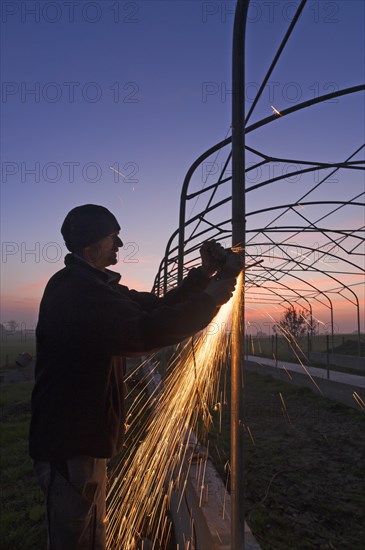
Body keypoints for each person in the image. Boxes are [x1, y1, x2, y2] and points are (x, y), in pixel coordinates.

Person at [29, 204, 241, 550]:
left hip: (84, 437)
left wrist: (203, 277)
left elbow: (154, 307)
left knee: (90, 529)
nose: (120, 244)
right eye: (113, 238)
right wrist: (207, 302)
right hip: (67, 443)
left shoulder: (96, 286)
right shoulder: (78, 293)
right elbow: (143, 333)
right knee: (74, 537)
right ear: (90, 249)